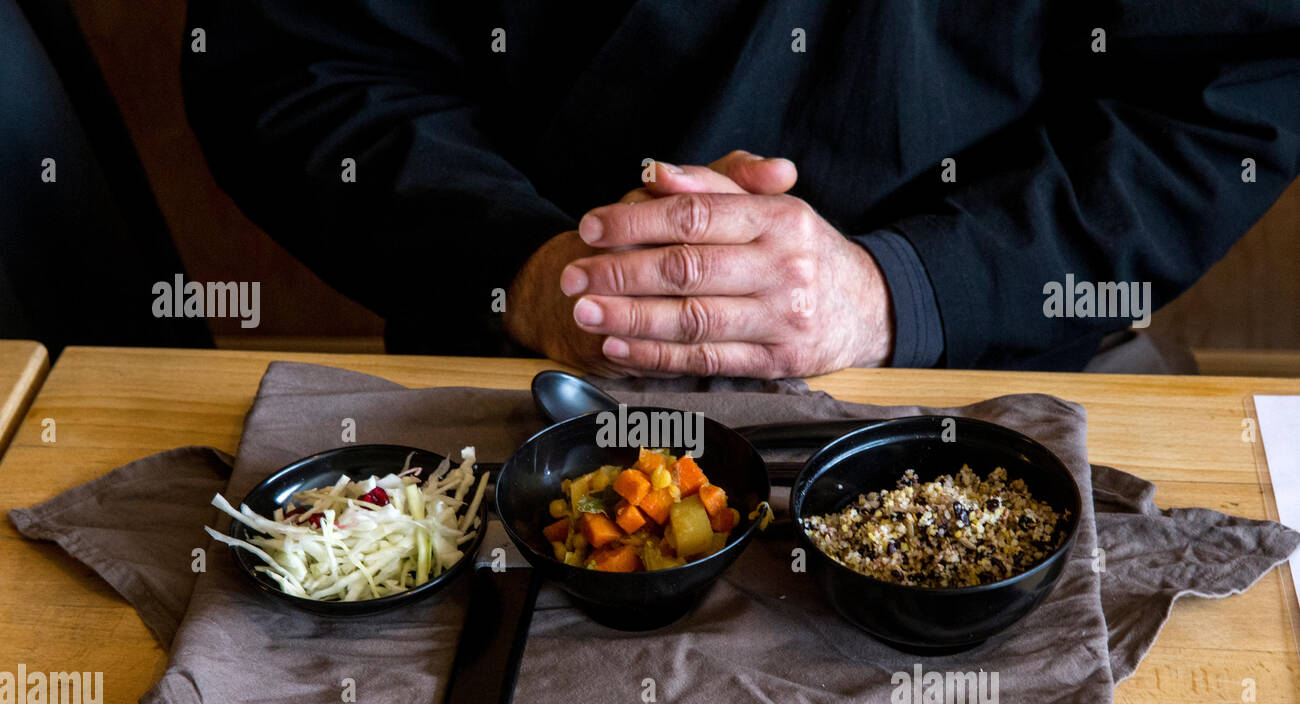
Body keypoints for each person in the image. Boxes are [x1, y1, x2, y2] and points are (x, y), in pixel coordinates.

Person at [182, 1, 1300, 375]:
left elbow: (1234, 82)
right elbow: (287, 55)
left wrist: (895, 293)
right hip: (522, 356)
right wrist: (520, 268)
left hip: (1008, 335)